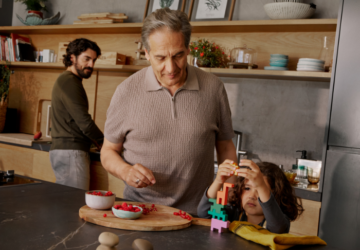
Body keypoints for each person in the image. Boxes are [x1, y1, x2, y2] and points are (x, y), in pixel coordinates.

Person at [100, 8, 237, 215]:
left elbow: (226, 148)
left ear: (188, 48)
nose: (171, 68)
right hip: (140, 213)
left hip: (198, 214)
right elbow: (108, 151)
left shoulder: (213, 88)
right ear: (146, 53)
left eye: (178, 55)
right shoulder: (126, 91)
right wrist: (125, 171)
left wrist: (226, 201)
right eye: (160, 57)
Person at [50, 38, 104, 190]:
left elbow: (76, 122)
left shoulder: (68, 80)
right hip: (71, 152)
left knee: (66, 203)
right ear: (72, 57)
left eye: (93, 60)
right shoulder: (69, 82)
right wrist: (105, 142)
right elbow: (85, 123)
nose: (91, 65)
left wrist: (96, 141)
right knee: (73, 205)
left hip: (67, 151)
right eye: (86, 59)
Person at [197, 159, 304, 234]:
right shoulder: (233, 212)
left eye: (260, 191)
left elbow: (277, 228)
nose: (252, 196)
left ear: (276, 196)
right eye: (247, 188)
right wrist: (218, 181)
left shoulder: (278, 220)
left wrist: (261, 184)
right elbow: (203, 214)